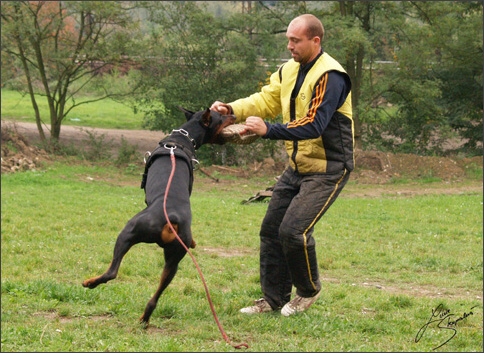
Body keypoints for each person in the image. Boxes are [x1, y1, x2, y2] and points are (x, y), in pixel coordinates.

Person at [211, 14, 353, 316]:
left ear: (315, 41)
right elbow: (265, 100)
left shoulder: (332, 76)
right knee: (271, 229)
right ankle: (274, 299)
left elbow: (315, 124)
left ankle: (308, 291)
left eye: (295, 40)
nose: (289, 46)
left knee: (293, 231)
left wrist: (269, 130)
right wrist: (232, 110)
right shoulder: (288, 70)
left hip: (329, 167)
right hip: (297, 165)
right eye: (288, 39)